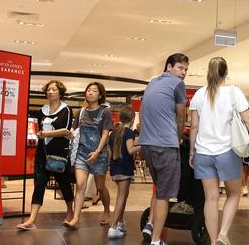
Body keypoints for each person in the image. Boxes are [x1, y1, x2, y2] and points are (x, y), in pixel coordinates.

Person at [189, 57, 249, 245]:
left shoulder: (199, 94)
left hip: (203, 153)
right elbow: (248, 119)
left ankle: (213, 241)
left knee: (211, 198)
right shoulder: (234, 92)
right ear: (225, 72)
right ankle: (223, 234)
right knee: (234, 194)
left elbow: (193, 127)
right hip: (227, 152)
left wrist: (192, 152)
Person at [138, 53, 189, 245]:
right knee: (165, 195)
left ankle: (150, 224)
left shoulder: (151, 83)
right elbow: (181, 116)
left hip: (148, 144)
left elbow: (143, 112)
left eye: (185, 69)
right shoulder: (178, 85)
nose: (183, 73)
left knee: (159, 188)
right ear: (169, 67)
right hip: (165, 145)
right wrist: (176, 140)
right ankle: (156, 240)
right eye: (180, 68)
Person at [17, 80, 74, 230]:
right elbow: (39, 128)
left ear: (60, 92)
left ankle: (70, 211)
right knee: (39, 184)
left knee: (64, 184)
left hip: (59, 154)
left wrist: (45, 133)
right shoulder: (42, 110)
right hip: (42, 152)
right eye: (48, 89)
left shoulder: (66, 110)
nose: (50, 92)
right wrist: (42, 134)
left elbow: (66, 131)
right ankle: (32, 219)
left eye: (54, 89)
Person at [64, 82, 113, 229]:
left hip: (99, 155)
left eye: (94, 91)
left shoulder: (105, 112)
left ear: (100, 95)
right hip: (82, 154)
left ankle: (106, 210)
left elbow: (105, 134)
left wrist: (97, 152)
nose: (90, 93)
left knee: (100, 187)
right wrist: (69, 134)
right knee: (80, 186)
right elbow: (73, 130)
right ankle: (76, 218)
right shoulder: (81, 112)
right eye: (88, 90)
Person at [107, 105, 140, 239]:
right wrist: (142, 145)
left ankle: (120, 222)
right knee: (121, 197)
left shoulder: (113, 133)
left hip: (114, 168)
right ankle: (113, 227)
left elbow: (109, 152)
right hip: (125, 168)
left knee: (123, 195)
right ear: (132, 118)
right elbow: (131, 150)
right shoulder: (129, 132)